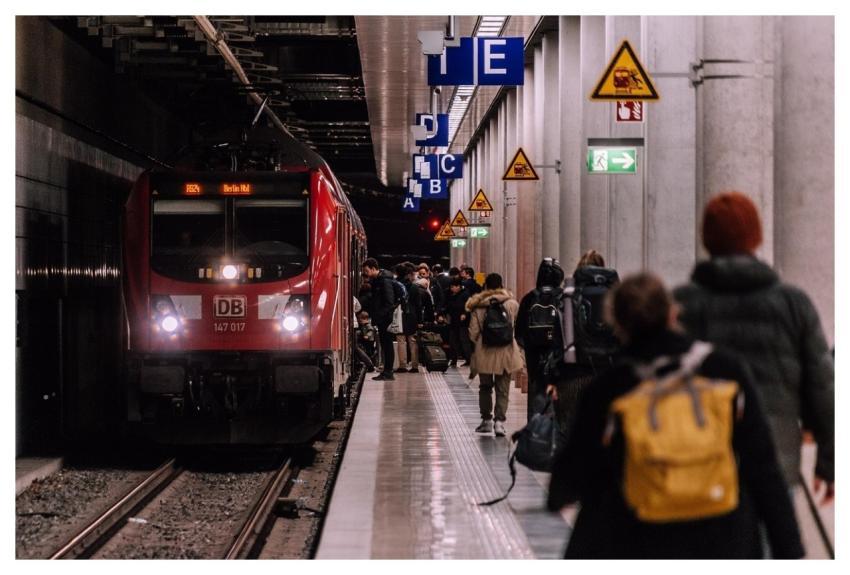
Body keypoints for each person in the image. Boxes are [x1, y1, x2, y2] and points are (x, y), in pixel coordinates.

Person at [548, 273, 804, 559]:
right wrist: (788, 548)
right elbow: (762, 463)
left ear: (617, 322)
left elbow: (572, 471)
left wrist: (559, 495)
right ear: (673, 312)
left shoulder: (610, 387)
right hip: (723, 536)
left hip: (639, 537)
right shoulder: (724, 369)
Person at [673, 191, 834, 504]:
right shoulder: (792, 303)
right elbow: (823, 388)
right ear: (756, 237)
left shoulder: (681, 304)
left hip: (698, 461)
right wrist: (829, 465)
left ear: (707, 239)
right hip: (773, 461)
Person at [466, 273, 524, 437]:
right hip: (506, 351)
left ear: (485, 286)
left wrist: (480, 342)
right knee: (503, 388)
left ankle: (486, 421)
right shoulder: (512, 304)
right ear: (501, 285)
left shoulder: (478, 306)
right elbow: (517, 328)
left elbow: (473, 333)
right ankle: (499, 422)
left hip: (484, 351)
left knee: (485, 387)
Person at [515, 257, 566, 422]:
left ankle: (536, 428)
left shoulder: (529, 298)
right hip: (559, 356)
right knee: (560, 393)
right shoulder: (564, 298)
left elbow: (519, 331)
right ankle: (556, 427)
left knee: (536, 392)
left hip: (534, 356)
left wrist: (531, 345)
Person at [362, 257, 397, 381]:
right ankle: (386, 372)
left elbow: (389, 302)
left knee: (387, 345)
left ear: (373, 268)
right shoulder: (378, 280)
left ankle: (388, 372)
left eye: (366, 270)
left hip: (385, 319)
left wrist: (380, 316)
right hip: (382, 318)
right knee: (385, 345)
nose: (365, 273)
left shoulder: (384, 281)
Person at [394, 262, 422, 373]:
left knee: (401, 340)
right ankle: (415, 366)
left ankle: (402, 365)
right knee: (412, 341)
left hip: (399, 315)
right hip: (412, 316)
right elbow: (418, 305)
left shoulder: (395, 285)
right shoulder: (414, 287)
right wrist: (420, 320)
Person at [445, 276, 472, 367]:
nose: (452, 289)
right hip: (454, 320)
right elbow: (448, 306)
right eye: (451, 287)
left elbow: (469, 306)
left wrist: (465, 314)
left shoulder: (465, 294)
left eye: (453, 287)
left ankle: (469, 359)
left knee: (464, 340)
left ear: (459, 286)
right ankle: (453, 360)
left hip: (463, 322)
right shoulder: (451, 295)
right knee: (452, 341)